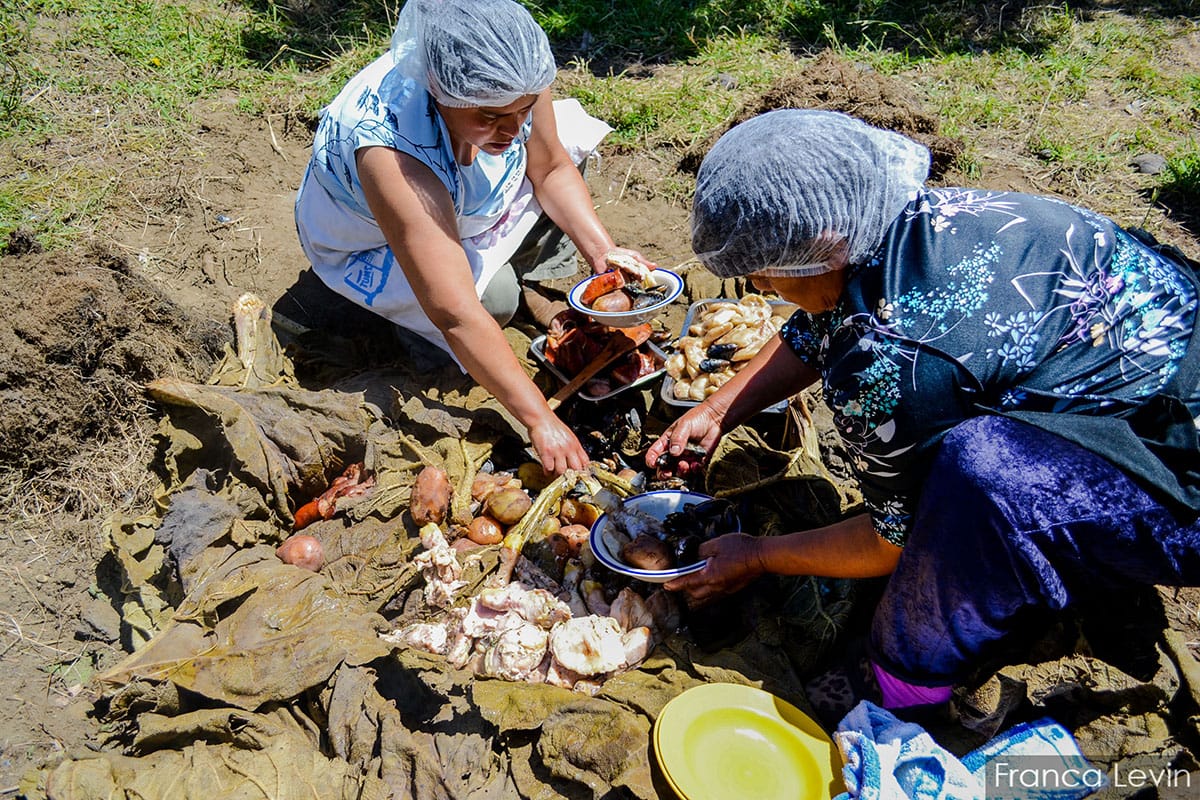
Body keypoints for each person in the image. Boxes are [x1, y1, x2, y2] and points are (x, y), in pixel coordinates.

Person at [647, 109, 1200, 718]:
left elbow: (892, 541)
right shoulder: (921, 215)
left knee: (978, 486)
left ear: (818, 250)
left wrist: (753, 555)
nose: (759, 288)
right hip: (1158, 359)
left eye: (765, 275)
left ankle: (906, 683)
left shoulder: (888, 365)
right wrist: (723, 404)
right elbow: (831, 315)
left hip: (1179, 473)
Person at [294, 0, 653, 475]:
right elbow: (456, 312)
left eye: (524, 110)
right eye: (492, 116)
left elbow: (549, 167)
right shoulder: (391, 153)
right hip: (372, 237)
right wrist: (539, 419)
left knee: (567, 153)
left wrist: (603, 254)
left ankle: (524, 276)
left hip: (454, 196)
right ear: (441, 92)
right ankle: (412, 335)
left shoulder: (510, 78)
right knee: (492, 301)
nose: (515, 128)